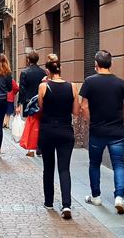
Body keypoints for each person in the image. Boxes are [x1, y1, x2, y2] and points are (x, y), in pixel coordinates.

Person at [80, 50, 124, 214]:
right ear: (111, 64)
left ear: (96, 64)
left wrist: (90, 122)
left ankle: (96, 196)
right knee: (119, 165)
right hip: (117, 132)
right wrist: (123, 122)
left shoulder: (89, 82)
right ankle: (119, 198)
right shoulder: (120, 83)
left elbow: (84, 106)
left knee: (94, 164)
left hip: (97, 131)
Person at [38, 53, 79, 220]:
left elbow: (40, 109)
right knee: (64, 168)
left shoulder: (43, 87)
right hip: (65, 131)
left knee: (48, 167)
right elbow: (75, 112)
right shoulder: (72, 86)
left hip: (47, 130)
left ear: (48, 71)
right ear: (60, 69)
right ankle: (66, 204)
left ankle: (49, 201)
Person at [16, 50, 47, 157]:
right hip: (41, 101)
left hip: (29, 102)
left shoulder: (24, 72)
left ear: (28, 60)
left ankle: (30, 149)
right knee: (40, 124)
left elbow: (22, 90)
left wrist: (19, 104)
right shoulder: (43, 72)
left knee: (30, 125)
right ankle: (39, 147)